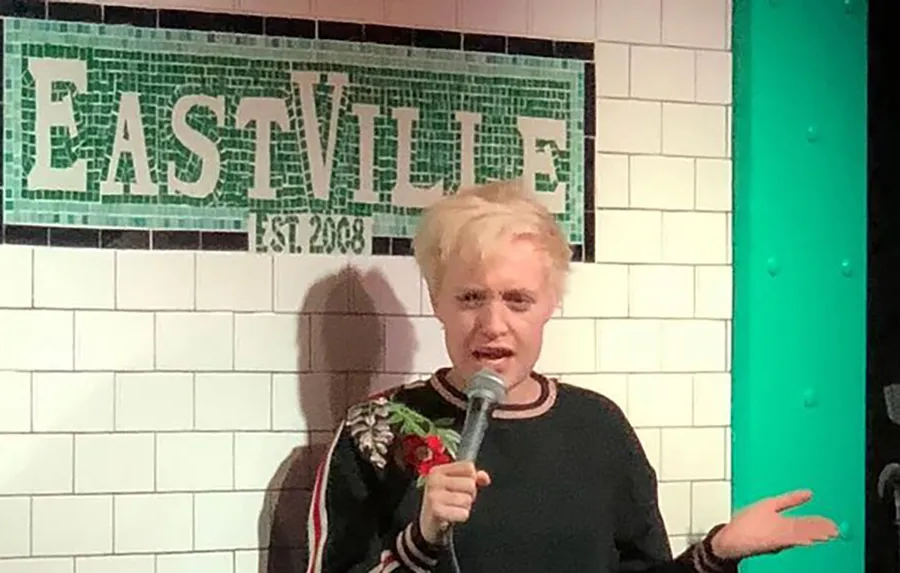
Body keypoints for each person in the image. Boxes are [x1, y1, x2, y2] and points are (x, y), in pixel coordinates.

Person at [304, 180, 839, 573]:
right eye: (470, 297)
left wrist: (715, 553)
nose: (492, 325)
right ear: (436, 301)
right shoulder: (375, 431)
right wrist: (420, 540)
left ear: (550, 305)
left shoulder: (598, 427)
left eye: (517, 300)